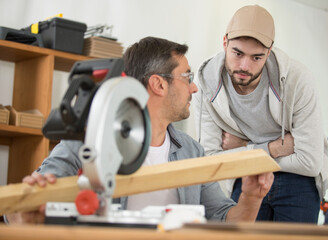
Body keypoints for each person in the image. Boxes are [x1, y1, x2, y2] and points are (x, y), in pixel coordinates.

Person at [5, 36, 273, 224]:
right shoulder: (90, 141)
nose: (194, 88)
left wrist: (251, 196)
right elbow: (19, 210)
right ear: (158, 84)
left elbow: (226, 222)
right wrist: (26, 208)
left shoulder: (192, 151)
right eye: (187, 77)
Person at [193, 5, 328, 223]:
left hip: (298, 180)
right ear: (224, 43)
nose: (244, 66)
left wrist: (243, 149)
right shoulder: (206, 82)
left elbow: (309, 162)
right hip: (246, 177)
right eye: (237, 53)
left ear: (269, 51)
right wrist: (273, 148)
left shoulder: (298, 79)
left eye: (256, 57)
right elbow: (211, 160)